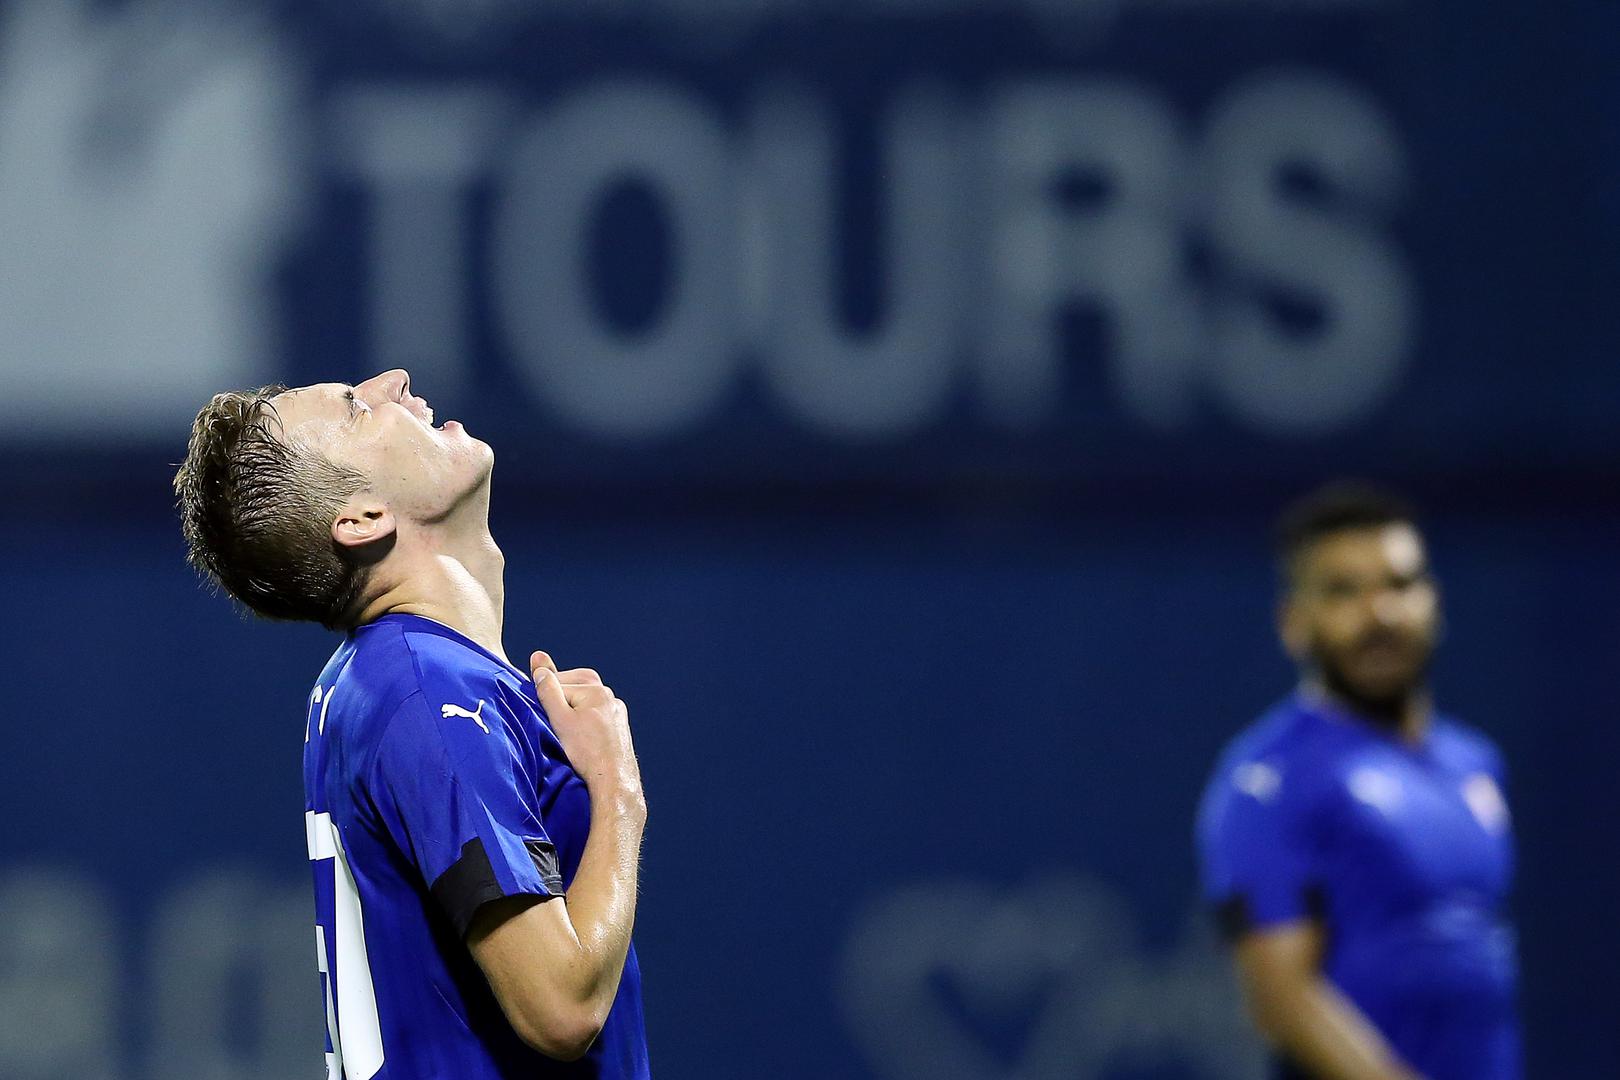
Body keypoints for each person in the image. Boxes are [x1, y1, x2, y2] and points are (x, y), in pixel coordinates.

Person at [173, 369, 650, 1079]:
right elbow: (560, 1007)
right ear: (363, 518)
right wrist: (617, 791)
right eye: (354, 409)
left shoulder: (383, 679)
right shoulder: (430, 693)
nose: (392, 382)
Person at [1195, 483, 1519, 1080]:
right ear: (1294, 622)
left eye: (1400, 584)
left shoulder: (1475, 762)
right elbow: (1283, 1000)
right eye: (1344, 591)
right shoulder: (1268, 781)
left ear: (1434, 601)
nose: (1380, 614)